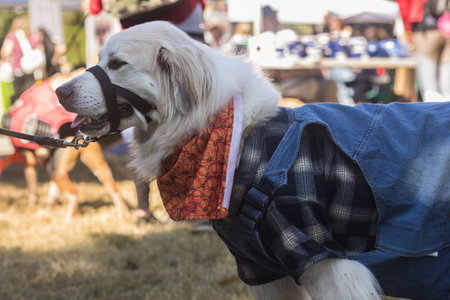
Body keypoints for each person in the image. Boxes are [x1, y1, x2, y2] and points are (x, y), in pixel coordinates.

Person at [83, 0, 209, 226]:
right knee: (201, 120)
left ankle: (143, 209)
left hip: (135, 29)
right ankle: (201, 208)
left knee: (140, 124)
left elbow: (94, 6)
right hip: (185, 23)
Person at [397, 0, 450, 99]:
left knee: (430, 91)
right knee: (448, 89)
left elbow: (403, 7)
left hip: (425, 30)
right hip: (446, 27)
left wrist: (408, 30)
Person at [0, 15, 44, 103]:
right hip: (31, 73)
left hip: (16, 73)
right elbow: (41, 54)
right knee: (29, 98)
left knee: (16, 99)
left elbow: (6, 52)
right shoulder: (33, 37)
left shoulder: (12, 37)